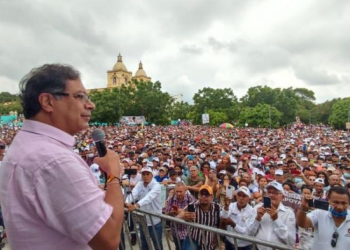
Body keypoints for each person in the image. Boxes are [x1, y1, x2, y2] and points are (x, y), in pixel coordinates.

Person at [0, 64, 124, 250]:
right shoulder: (52, 160)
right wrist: (114, 175)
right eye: (79, 96)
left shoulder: (27, 144)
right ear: (48, 102)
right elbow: (108, 239)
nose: (90, 105)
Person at [249, 181, 296, 250]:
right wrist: (257, 218)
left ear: (282, 197)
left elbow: (291, 240)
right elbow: (249, 233)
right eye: (269, 192)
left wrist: (276, 220)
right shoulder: (258, 208)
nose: (271, 195)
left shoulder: (288, 213)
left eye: (275, 193)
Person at [125, 166, 163, 250]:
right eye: (143, 174)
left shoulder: (156, 185)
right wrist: (127, 202)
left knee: (157, 244)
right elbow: (133, 193)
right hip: (143, 220)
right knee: (144, 243)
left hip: (154, 220)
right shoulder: (140, 184)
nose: (145, 176)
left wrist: (135, 206)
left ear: (151, 175)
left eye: (147, 174)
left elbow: (149, 198)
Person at [177, 185, 220, 250]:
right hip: (193, 239)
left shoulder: (217, 208)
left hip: (209, 242)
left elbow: (221, 223)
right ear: (198, 196)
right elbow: (177, 218)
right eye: (201, 194)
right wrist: (185, 217)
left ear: (212, 197)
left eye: (206, 195)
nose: (203, 197)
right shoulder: (192, 205)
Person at [164, 182, 196, 250]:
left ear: (185, 191)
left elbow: (195, 213)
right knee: (178, 248)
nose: (178, 193)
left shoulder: (191, 199)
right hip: (175, 230)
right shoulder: (172, 199)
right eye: (177, 191)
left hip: (187, 231)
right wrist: (170, 212)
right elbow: (165, 212)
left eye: (180, 191)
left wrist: (181, 211)